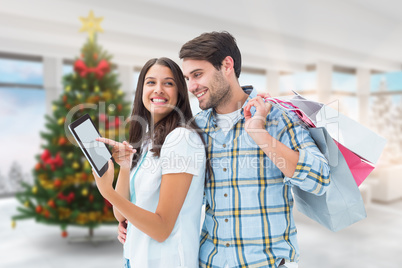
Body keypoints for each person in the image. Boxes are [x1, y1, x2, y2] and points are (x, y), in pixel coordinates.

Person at [178, 31, 331, 268]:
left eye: (197, 74)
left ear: (227, 65)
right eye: (188, 78)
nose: (192, 86)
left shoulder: (279, 116)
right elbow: (181, 195)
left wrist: (259, 133)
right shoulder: (195, 128)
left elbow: (320, 179)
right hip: (209, 262)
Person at [92, 57, 206, 268]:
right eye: (151, 82)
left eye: (168, 83)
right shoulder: (147, 139)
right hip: (135, 259)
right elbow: (121, 215)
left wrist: (106, 191)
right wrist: (124, 168)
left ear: (180, 92)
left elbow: (162, 229)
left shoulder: (181, 139)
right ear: (141, 90)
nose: (158, 89)